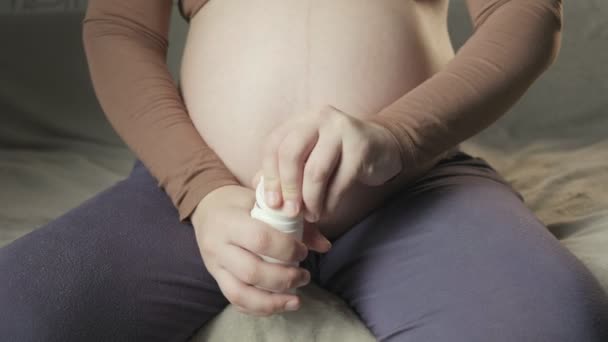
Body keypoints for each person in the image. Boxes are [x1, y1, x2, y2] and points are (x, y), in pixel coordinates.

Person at [1, 0, 607, 341]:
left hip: (414, 191)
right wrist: (201, 190)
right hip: (194, 200)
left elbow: (525, 14)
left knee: (551, 327)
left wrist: (399, 136)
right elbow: (119, 30)